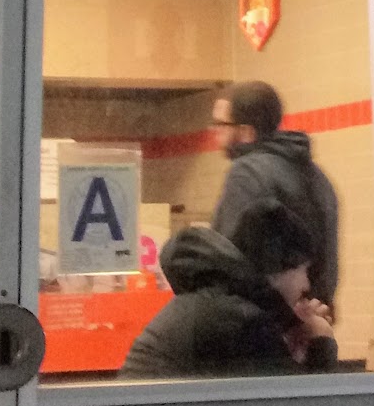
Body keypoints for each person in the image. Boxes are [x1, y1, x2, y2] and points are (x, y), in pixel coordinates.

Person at [121, 199, 337, 378]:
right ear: (279, 268)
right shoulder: (242, 321)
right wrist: (321, 340)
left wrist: (291, 342)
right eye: (303, 270)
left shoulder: (220, 306)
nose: (306, 284)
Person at [211, 81, 340, 310]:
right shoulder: (317, 175)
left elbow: (228, 256)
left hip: (263, 317)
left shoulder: (247, 173)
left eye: (221, 124)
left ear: (246, 132)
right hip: (313, 313)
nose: (214, 131)